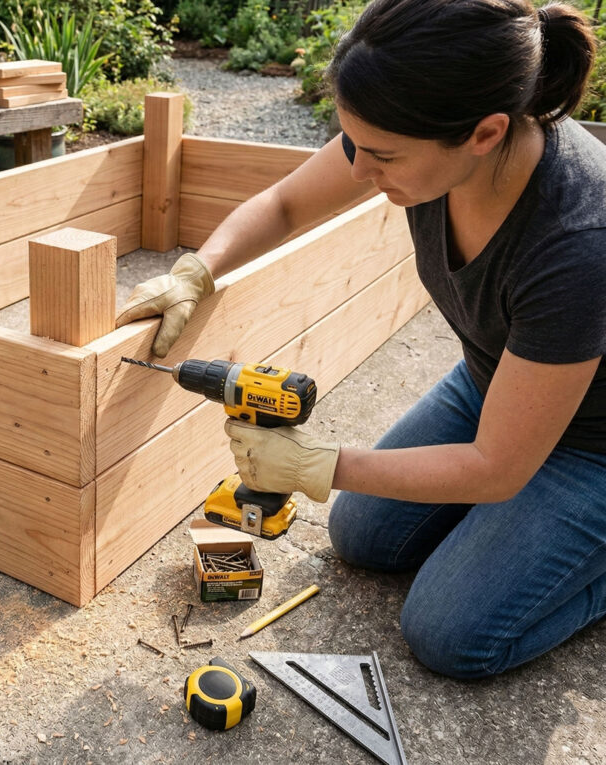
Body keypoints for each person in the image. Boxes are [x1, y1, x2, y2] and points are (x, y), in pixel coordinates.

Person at [116, 0, 606, 679]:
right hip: (496, 379)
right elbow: (284, 203)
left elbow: (498, 465)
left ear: (485, 134)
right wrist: (198, 269)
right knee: (362, 534)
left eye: (378, 156)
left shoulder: (577, 243)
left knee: (449, 632)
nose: (357, 172)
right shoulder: (418, 134)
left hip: (594, 445)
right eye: (354, 143)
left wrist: (319, 463)